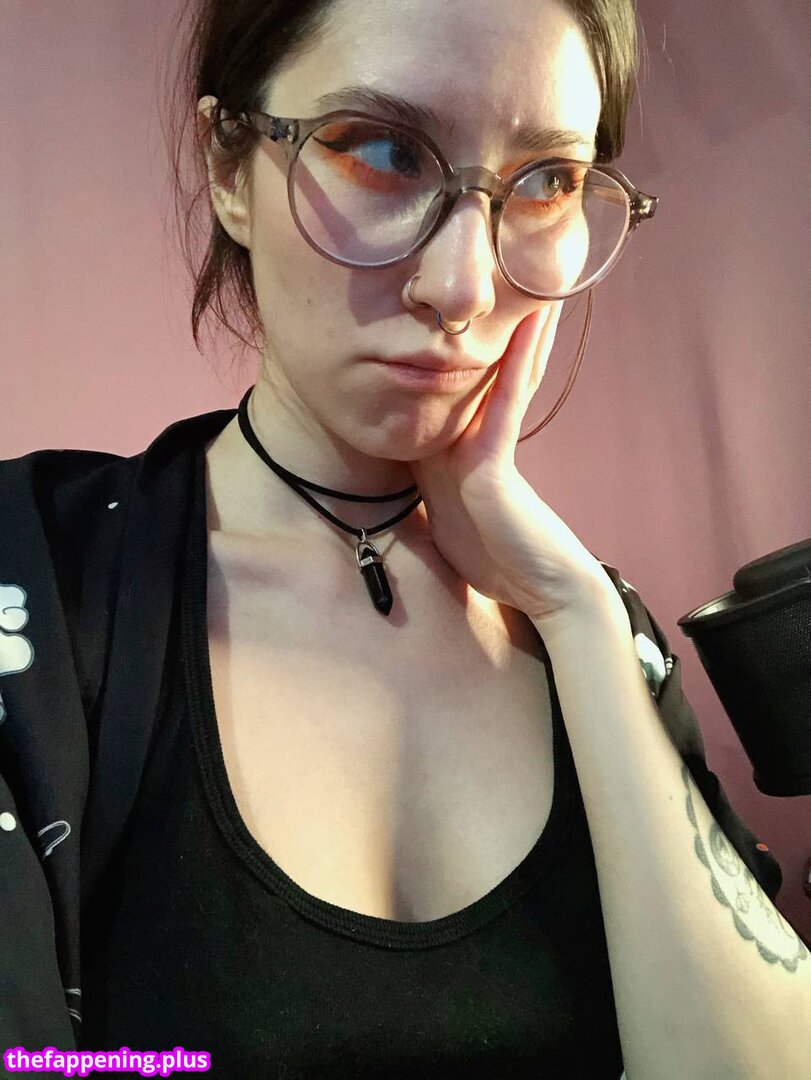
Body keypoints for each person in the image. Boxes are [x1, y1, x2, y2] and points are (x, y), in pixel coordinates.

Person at [0, 0, 792, 1077]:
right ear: (229, 167)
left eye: (548, 181)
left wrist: (574, 612)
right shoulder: (33, 590)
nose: (464, 287)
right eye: (381, 151)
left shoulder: (599, 635)